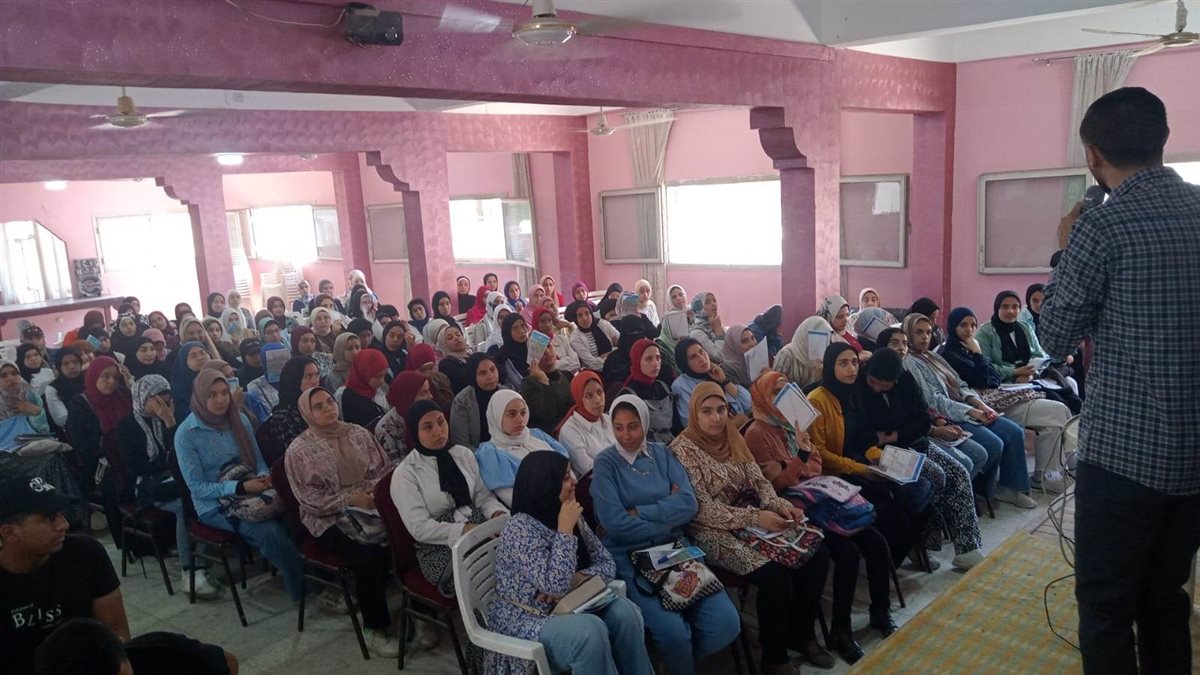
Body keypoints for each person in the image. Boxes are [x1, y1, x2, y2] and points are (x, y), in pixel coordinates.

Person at [1037, 87, 1200, 674]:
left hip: (1123, 458)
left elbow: (1054, 336)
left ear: (1092, 155)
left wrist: (1064, 251)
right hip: (1195, 457)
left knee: (1107, 606)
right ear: (1164, 140)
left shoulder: (1101, 228)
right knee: (1166, 596)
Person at [0, 476, 238, 675]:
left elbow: (116, 634)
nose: (63, 524)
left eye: (60, 514)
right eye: (49, 518)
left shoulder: (84, 553)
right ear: (9, 533)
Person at [670, 382, 832, 673]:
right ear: (694, 413)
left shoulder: (732, 436)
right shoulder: (682, 450)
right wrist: (756, 518)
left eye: (721, 410)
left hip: (753, 516)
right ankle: (774, 656)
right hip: (711, 531)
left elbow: (758, 481)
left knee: (817, 555)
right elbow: (702, 509)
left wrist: (779, 506)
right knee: (774, 576)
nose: (716, 418)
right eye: (707, 411)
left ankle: (802, 634)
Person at [742, 370, 895, 658]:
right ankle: (840, 631)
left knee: (875, 541)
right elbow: (775, 486)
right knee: (847, 552)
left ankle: (880, 611)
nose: (782, 398)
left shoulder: (794, 424)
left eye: (786, 391)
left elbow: (815, 465)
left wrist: (795, 464)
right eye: (775, 392)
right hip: (792, 507)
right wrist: (798, 461)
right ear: (762, 397)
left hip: (819, 496)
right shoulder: (756, 433)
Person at [591, 394, 741, 674]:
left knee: (726, 622)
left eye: (633, 426)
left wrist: (639, 511)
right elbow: (615, 524)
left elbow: (688, 505)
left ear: (645, 423)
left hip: (674, 549)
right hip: (630, 556)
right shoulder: (605, 464)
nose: (626, 435)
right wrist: (667, 515)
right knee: (673, 634)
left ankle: (681, 667)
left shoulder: (662, 454)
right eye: (618, 427)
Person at [485, 452, 654, 675]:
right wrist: (565, 530)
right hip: (526, 617)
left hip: (570, 602)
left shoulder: (567, 511)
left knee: (625, 614)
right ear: (545, 485)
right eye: (565, 477)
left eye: (570, 473)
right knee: (588, 633)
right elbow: (555, 586)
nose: (574, 481)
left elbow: (606, 563)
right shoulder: (520, 528)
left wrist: (579, 578)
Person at [284, 386, 397, 656]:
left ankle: (419, 609)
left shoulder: (356, 432)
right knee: (367, 554)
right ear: (307, 414)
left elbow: (384, 469)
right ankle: (375, 627)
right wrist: (351, 500)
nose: (329, 408)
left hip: (370, 504)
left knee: (405, 532)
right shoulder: (299, 451)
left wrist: (373, 493)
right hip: (328, 516)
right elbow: (310, 500)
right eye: (319, 406)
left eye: (330, 401)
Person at [174, 370, 305, 601]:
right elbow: (198, 488)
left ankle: (311, 570)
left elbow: (258, 460)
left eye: (225, 393)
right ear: (200, 396)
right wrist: (241, 488)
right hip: (214, 505)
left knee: (298, 510)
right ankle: (304, 588)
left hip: (252, 488)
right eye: (212, 395)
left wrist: (263, 477)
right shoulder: (187, 434)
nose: (221, 400)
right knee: (269, 531)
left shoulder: (239, 419)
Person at [805, 344, 931, 571]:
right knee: (897, 515)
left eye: (854, 362)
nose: (851, 369)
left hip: (860, 466)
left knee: (923, 503)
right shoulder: (818, 399)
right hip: (836, 474)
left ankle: (891, 563)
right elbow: (820, 454)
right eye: (843, 363)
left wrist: (881, 459)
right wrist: (863, 469)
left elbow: (865, 438)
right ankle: (884, 565)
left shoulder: (854, 394)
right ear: (831, 366)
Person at [858, 349, 985, 571]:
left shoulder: (905, 380)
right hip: (881, 452)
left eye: (884, 385)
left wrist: (894, 434)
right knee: (934, 476)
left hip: (912, 442)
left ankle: (968, 547)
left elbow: (923, 420)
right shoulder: (860, 386)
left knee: (958, 472)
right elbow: (866, 432)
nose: (877, 388)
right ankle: (920, 543)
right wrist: (893, 435)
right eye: (874, 383)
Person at [901, 314, 1036, 509]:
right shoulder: (909, 362)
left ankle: (1009, 488)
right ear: (908, 334)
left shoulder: (933, 357)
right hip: (950, 415)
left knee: (1013, 431)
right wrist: (971, 411)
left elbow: (960, 384)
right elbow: (934, 401)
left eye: (929, 332)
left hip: (967, 406)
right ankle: (978, 490)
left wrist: (980, 405)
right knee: (993, 443)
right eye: (919, 332)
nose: (925, 337)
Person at [939, 309, 1073, 493]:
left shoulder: (969, 348)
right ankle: (1052, 470)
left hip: (999, 393)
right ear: (952, 326)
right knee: (1056, 411)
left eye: (973, 325)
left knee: (1057, 414)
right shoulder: (950, 353)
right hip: (980, 403)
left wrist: (980, 358)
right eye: (963, 325)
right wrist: (978, 354)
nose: (969, 330)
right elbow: (981, 380)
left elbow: (993, 378)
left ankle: (1047, 474)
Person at [117, 375, 221, 599]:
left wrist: (170, 423)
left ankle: (200, 559)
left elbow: (183, 452)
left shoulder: (171, 417)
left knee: (207, 495)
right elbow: (137, 467)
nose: (163, 406)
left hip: (175, 477)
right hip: (147, 486)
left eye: (166, 399)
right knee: (186, 505)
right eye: (157, 400)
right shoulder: (126, 426)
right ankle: (189, 570)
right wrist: (166, 462)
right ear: (143, 398)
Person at [393, 399, 507, 599]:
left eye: (441, 422)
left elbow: (483, 497)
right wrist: (464, 530)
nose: (438, 431)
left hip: (478, 528)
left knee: (520, 550)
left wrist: (496, 514)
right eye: (427, 427)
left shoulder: (462, 454)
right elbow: (419, 528)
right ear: (415, 433)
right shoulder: (406, 474)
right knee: (496, 573)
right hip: (440, 548)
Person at [878, 327, 997, 483]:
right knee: (958, 467)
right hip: (906, 440)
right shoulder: (882, 377)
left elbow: (924, 407)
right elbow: (927, 404)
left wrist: (939, 421)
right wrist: (935, 429)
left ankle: (970, 492)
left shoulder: (909, 373)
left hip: (928, 426)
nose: (901, 348)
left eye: (905, 344)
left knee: (979, 454)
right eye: (894, 343)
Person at [976, 291, 1080, 411]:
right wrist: (1015, 372)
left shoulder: (1024, 327)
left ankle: (1076, 420)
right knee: (1058, 403)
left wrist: (1031, 374)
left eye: (1015, 307)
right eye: (1005, 307)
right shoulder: (985, 332)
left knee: (1070, 394)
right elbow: (986, 367)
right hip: (1006, 382)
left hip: (1031, 377)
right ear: (997, 308)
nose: (1011, 311)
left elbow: (1040, 355)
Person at [474, 390, 570, 507]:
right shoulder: (490, 454)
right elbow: (514, 499)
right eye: (512, 414)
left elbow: (567, 467)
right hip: (540, 510)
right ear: (496, 416)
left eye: (523, 413)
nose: (520, 420)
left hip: (570, 498)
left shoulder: (537, 434)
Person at [671, 338, 751, 425]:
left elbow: (748, 404)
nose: (702, 358)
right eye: (693, 357)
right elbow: (692, 424)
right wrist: (733, 424)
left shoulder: (715, 372)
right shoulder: (682, 386)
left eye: (702, 352)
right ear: (684, 363)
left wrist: (724, 381)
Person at [256, 357, 319, 467]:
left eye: (317, 375)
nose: (315, 381)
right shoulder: (284, 419)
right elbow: (302, 458)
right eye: (308, 376)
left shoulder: (321, 404)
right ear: (294, 380)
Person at [555, 370, 615, 477]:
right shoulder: (570, 431)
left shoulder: (608, 419)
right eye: (589, 396)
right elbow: (589, 469)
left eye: (599, 392)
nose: (597, 400)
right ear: (579, 398)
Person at [619, 338, 676, 444]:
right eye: (649, 359)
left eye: (658, 358)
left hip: (672, 441)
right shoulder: (629, 395)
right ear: (637, 361)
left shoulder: (662, 387)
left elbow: (675, 424)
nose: (655, 363)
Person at [373, 371, 430, 462]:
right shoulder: (386, 429)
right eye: (423, 393)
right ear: (408, 397)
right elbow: (396, 465)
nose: (430, 396)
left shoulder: (430, 413)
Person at [773, 316, 840, 389]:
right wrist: (815, 379)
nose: (820, 343)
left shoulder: (825, 357)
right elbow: (776, 388)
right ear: (805, 336)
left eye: (824, 339)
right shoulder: (786, 354)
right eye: (816, 338)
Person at [340, 349, 389, 428]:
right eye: (378, 377)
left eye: (384, 375)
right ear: (364, 373)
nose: (382, 381)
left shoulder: (376, 388)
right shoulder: (350, 398)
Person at [567, 301, 619, 372]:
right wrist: (613, 354)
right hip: (594, 372)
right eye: (580, 316)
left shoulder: (603, 324)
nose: (585, 318)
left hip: (617, 365)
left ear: (591, 314)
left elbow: (622, 342)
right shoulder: (575, 338)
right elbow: (593, 364)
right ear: (576, 319)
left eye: (587, 313)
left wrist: (606, 355)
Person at [44, 347, 85, 430]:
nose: (71, 366)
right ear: (59, 366)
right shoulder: (52, 388)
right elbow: (61, 420)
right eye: (66, 364)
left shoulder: (90, 381)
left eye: (75, 362)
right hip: (71, 431)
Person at [532, 306, 579, 375]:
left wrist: (555, 364)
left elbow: (576, 363)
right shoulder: (534, 344)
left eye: (550, 320)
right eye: (542, 321)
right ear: (536, 322)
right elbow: (544, 369)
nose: (547, 325)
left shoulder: (562, 339)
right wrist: (567, 360)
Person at [433, 320, 473, 393]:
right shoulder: (446, 364)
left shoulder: (471, 354)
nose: (456, 338)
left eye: (458, 335)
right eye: (450, 338)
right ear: (444, 344)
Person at [688, 291, 725, 363]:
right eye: (707, 302)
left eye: (714, 300)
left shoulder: (714, 323)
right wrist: (718, 329)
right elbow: (719, 357)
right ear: (699, 308)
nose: (714, 304)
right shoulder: (696, 333)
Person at [496, 313, 532, 389]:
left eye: (523, 326)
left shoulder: (531, 348)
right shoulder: (502, 357)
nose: (522, 331)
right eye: (515, 328)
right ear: (508, 332)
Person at [718, 324, 758, 389]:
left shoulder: (754, 359)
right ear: (734, 345)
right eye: (745, 341)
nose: (752, 344)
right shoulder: (727, 370)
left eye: (752, 338)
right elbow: (739, 393)